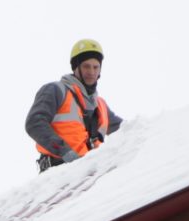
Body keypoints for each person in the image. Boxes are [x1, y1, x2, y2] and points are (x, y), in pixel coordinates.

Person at [27, 39, 126, 170]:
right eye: (86, 66)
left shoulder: (100, 105)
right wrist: (65, 151)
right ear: (75, 67)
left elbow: (127, 129)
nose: (91, 72)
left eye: (96, 67)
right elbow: (34, 123)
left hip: (88, 175)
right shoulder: (56, 90)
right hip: (58, 173)